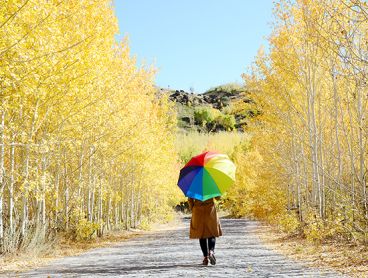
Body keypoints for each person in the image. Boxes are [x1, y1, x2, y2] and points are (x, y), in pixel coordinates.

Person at [188, 196, 222, 266]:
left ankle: (205, 258)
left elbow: (190, 200)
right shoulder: (211, 185)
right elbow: (218, 198)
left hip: (198, 210)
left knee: (201, 234)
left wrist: (193, 209)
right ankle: (211, 252)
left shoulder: (194, 186)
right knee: (212, 233)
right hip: (210, 210)